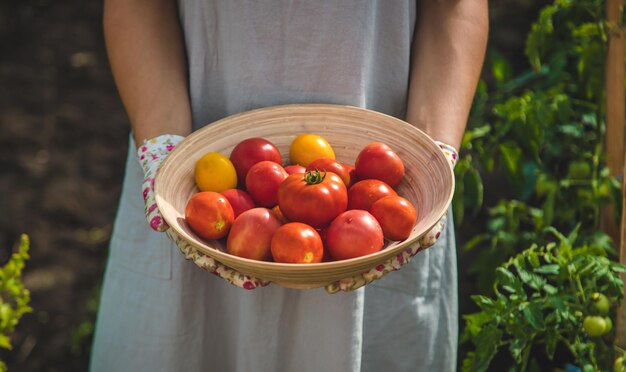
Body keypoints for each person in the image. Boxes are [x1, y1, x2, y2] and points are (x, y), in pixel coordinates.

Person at [90, 1, 488, 371]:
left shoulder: (373, 189)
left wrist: (429, 153)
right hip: (187, 168)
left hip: (393, 179)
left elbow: (455, 7)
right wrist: (163, 151)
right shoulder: (224, 191)